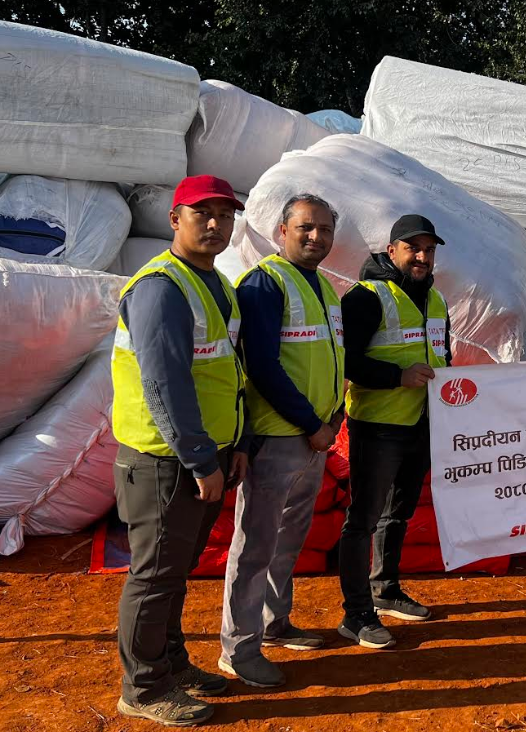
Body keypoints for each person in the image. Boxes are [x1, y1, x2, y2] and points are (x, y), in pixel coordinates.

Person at [110, 175, 249, 726]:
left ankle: (170, 665)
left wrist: (235, 444)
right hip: (163, 461)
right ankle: (144, 689)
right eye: (202, 214)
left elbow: (228, 373)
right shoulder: (160, 287)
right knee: (154, 576)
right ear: (175, 220)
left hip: (205, 454)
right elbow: (164, 384)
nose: (215, 224)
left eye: (225, 215)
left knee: (175, 571)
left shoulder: (217, 285)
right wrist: (200, 459)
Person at [217, 194, 346, 688]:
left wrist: (332, 417)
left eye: (325, 229)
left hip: (315, 436)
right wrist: (312, 424)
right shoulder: (264, 283)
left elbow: (330, 358)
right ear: (282, 231)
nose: (316, 237)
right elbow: (262, 367)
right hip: (279, 436)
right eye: (306, 227)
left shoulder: (324, 287)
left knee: (288, 538)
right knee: (255, 544)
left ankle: (274, 622)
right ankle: (238, 648)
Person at [336, 214, 452, 648]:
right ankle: (356, 613)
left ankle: (384, 589)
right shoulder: (367, 297)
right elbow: (345, 360)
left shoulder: (436, 299)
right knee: (363, 519)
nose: (422, 257)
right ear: (391, 251)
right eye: (413, 248)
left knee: (398, 513)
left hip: (421, 422)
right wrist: (397, 377)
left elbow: (443, 356)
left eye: (429, 250)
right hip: (378, 425)